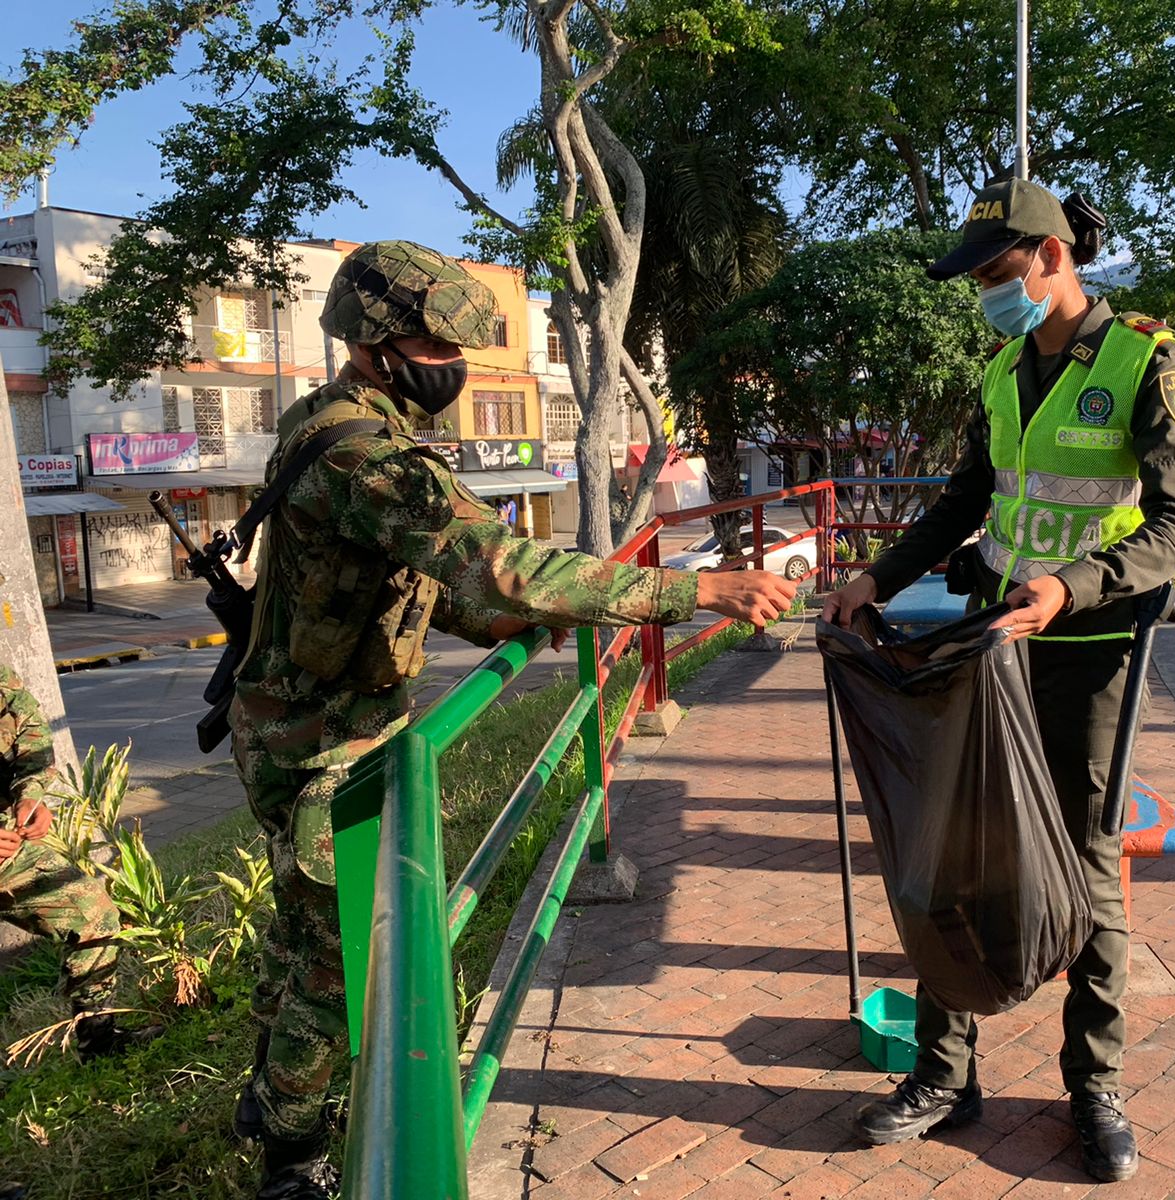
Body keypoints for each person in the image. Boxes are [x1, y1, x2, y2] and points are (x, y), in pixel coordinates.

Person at [229, 240, 796, 1199]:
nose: (451, 366)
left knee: (304, 940)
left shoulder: (355, 421)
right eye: (433, 342)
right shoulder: (367, 453)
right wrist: (692, 591)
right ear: (375, 343)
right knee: (338, 967)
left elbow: (441, 589)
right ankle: (291, 1154)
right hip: (318, 739)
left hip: (324, 718)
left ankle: (275, 1103)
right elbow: (494, 565)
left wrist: (514, 612)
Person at [822, 177, 1175, 1183]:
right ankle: (945, 1076)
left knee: (1086, 868)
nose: (989, 293)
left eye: (997, 272)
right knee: (956, 852)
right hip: (992, 644)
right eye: (981, 279)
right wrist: (876, 575)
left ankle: (1092, 1084)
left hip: (1090, 652)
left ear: (1049, 257)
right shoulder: (1002, 369)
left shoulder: (1141, 357)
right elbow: (965, 498)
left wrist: (1073, 586)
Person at [0, 659, 147, 1058]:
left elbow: (28, 740)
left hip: (8, 854)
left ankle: (98, 1040)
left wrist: (29, 797)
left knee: (93, 913)